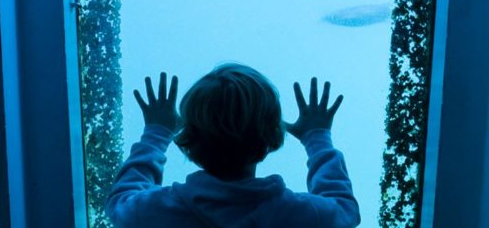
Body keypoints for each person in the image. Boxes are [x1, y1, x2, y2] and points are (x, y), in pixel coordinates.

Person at [105, 63, 360, 228]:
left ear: (187, 140)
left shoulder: (154, 211)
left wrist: (156, 134)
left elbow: (120, 203)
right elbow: (344, 210)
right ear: (272, 137)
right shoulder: (298, 215)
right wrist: (317, 138)